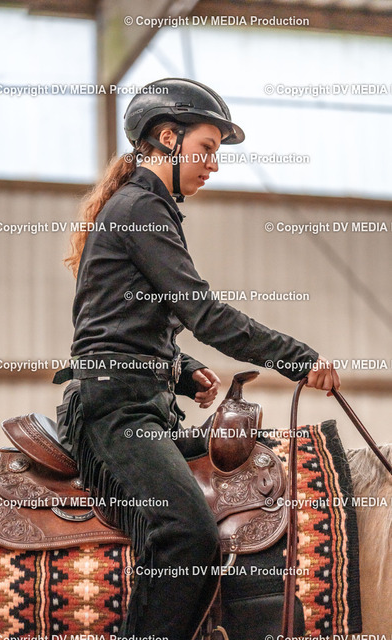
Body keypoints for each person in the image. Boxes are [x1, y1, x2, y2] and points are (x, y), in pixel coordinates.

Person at [54, 78, 340, 640]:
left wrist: (181, 370)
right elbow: (205, 314)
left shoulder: (144, 207)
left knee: (249, 454)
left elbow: (122, 318)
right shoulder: (140, 207)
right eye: (207, 148)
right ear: (168, 137)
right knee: (186, 536)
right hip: (115, 413)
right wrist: (297, 358)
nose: (213, 163)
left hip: (144, 406)